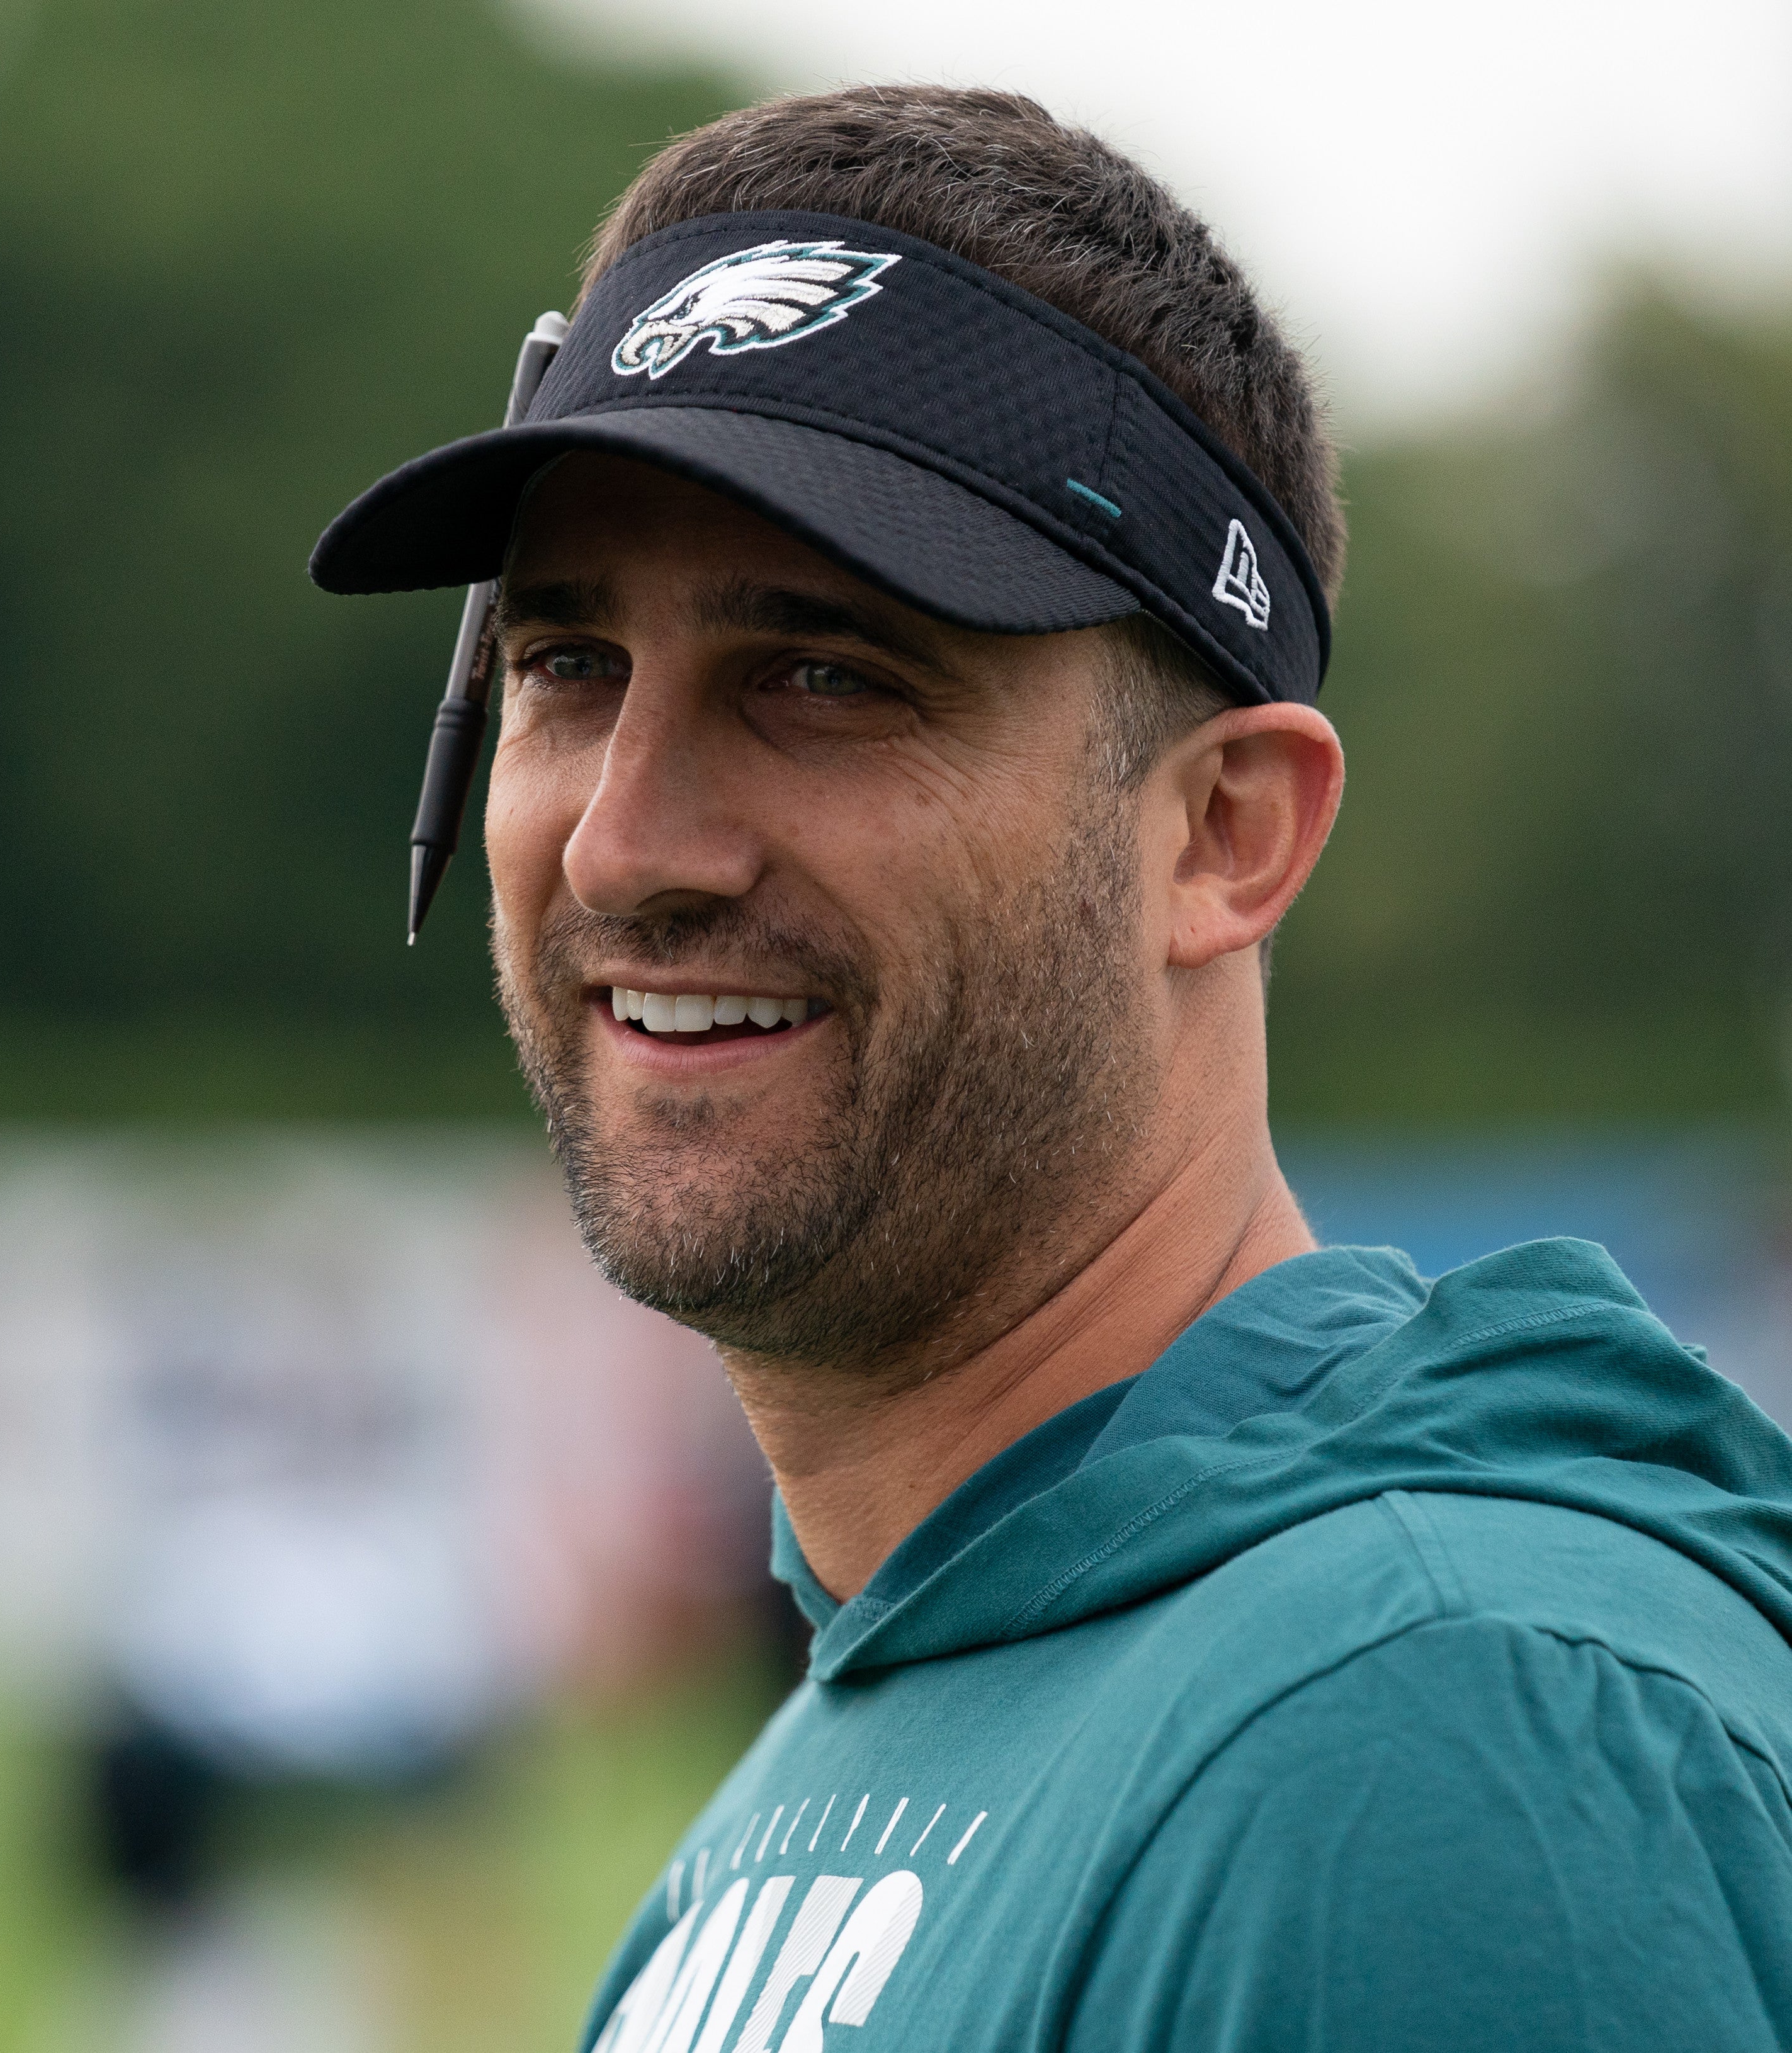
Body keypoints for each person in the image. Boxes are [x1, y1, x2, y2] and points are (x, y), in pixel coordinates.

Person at [309, 85, 1792, 2051]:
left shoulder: (1431, 1747)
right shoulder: (861, 1748)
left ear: (1222, 836)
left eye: (823, 674)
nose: (626, 843)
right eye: (569, 666)